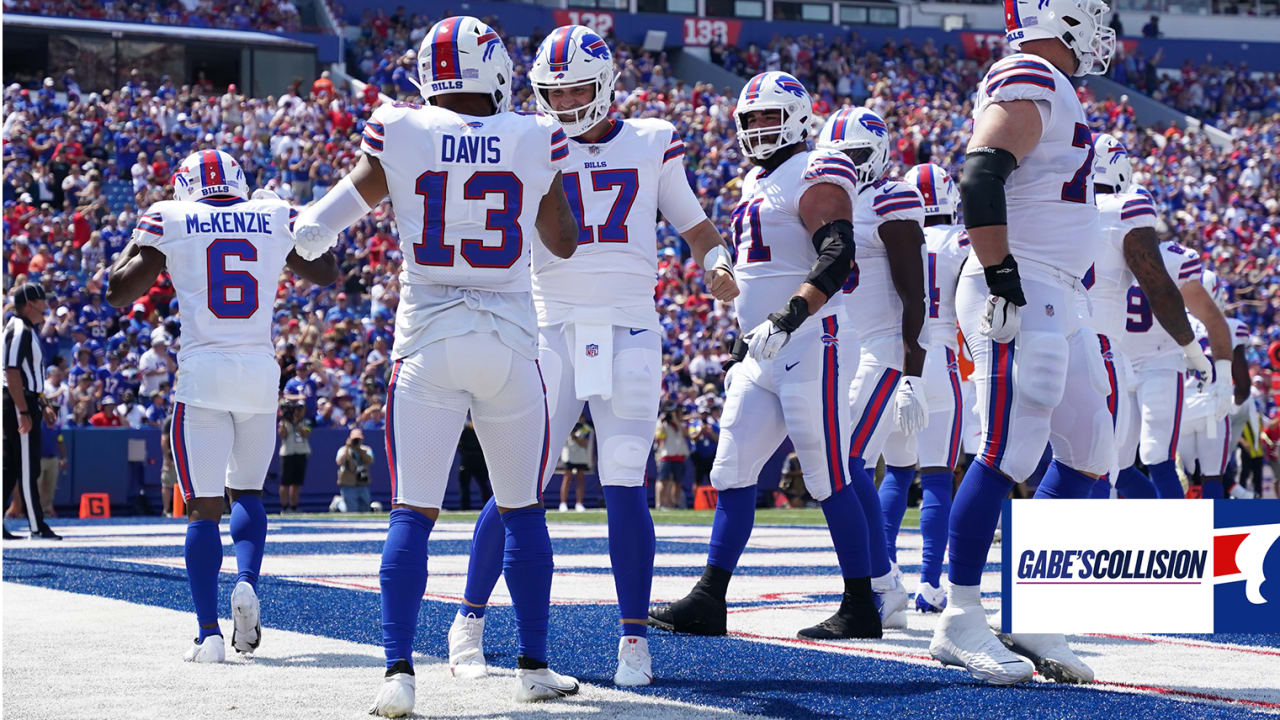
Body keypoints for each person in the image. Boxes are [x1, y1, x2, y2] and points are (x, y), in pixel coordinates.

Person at [290, 16, 583, 714]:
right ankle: (534, 665)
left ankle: (398, 673)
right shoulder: (534, 135)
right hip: (511, 342)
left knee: (412, 515)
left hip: (426, 340)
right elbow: (564, 243)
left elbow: (322, 223)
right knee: (524, 511)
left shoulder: (401, 127)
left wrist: (314, 235)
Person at [449, 25, 738, 689]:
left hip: (631, 329)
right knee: (521, 480)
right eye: (554, 91)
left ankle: (633, 639)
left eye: (577, 87)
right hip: (551, 328)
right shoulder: (526, 140)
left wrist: (717, 264)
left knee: (626, 480)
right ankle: (468, 618)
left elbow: (695, 225)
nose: (566, 101)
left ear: (606, 82)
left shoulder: (651, 139)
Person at [650, 71, 878, 641]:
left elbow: (837, 252)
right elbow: (765, 268)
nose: (756, 128)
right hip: (760, 352)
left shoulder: (814, 168)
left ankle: (861, 603)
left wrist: (789, 316)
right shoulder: (755, 179)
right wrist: (734, 293)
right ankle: (710, 597)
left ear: (799, 117)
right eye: (748, 119)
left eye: (767, 116)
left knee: (829, 477)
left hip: (810, 342)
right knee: (730, 472)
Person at [929, 0, 1118, 685]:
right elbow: (981, 174)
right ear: (1063, 19)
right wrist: (1001, 274)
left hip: (1060, 291)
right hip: (1021, 281)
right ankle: (960, 615)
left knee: (1091, 451)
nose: (1103, 31)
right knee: (1007, 449)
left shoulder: (1055, 85)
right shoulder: (1031, 73)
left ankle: (1033, 609)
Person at [106, 148, 338, 664]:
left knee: (202, 509)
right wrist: (300, 227)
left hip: (204, 376)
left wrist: (138, 242)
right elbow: (326, 272)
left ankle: (209, 634)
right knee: (249, 495)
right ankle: (248, 581)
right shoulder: (272, 213)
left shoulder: (172, 217)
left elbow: (117, 292)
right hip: (258, 376)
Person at [815, 106, 928, 631]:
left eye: (856, 155)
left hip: (883, 348)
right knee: (841, 462)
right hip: (844, 347)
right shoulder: (824, 196)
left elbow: (914, 291)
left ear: (880, 152)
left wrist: (913, 370)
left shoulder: (891, 195)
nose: (847, 165)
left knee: (848, 460)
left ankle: (883, 584)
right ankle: (880, 583)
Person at [1087, 134, 1218, 500]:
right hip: (1115, 353)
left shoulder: (1053, 208)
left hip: (1077, 342)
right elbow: (1161, 290)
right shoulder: (1129, 211)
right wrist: (1195, 352)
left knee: (1093, 457)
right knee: (1121, 458)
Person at [878, 163, 969, 613]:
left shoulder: (887, 232)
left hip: (895, 361)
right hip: (940, 360)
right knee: (936, 475)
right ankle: (929, 582)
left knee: (895, 471)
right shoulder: (960, 243)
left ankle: (884, 573)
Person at [1177, 275, 1248, 499]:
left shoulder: (1171, 320)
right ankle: (1214, 529)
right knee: (1212, 477)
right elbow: (1244, 385)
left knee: (1181, 475)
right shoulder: (1230, 326)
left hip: (1180, 410)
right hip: (1212, 409)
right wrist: (1233, 407)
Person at [3, 283, 62, 540]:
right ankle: (36, 525)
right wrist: (25, 410)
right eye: (41, 302)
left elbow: (29, 376)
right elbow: (12, 372)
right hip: (19, 402)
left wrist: (43, 403)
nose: (45, 307)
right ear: (29, 304)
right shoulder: (18, 329)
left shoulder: (26, 328)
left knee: (12, 467)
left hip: (26, 400)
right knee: (28, 467)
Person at [278, 398, 312, 513]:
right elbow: (282, 435)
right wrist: (284, 420)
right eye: (297, 409)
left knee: (296, 482)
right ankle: (284, 507)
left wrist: (297, 423)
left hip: (301, 453)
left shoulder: (306, 422)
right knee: (285, 482)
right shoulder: (284, 422)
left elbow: (306, 433)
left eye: (300, 409)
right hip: (287, 453)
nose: (298, 411)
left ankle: (294, 506)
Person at [654, 407, 690, 510]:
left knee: (678, 482)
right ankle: (660, 504)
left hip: (679, 456)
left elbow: (686, 434)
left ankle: (675, 503)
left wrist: (676, 421)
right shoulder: (662, 424)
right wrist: (662, 421)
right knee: (663, 480)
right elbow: (658, 437)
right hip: (667, 456)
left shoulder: (681, 424)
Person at [455, 420, 492, 511]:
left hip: (474, 460)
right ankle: (465, 507)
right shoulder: (466, 429)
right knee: (467, 485)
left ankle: (484, 507)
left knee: (482, 484)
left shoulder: (480, 429)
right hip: (473, 460)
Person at [335, 428, 374, 512]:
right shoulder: (343, 449)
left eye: (358, 439)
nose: (356, 441)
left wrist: (360, 450)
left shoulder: (366, 449)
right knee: (351, 509)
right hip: (348, 484)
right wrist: (347, 447)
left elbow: (370, 460)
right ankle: (339, 504)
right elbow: (339, 462)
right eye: (355, 439)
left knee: (365, 508)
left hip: (362, 482)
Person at [558, 416, 592, 513]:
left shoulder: (586, 427)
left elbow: (584, 442)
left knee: (580, 478)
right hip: (568, 455)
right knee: (567, 477)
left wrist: (574, 436)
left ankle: (579, 503)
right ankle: (563, 503)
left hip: (581, 456)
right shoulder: (566, 424)